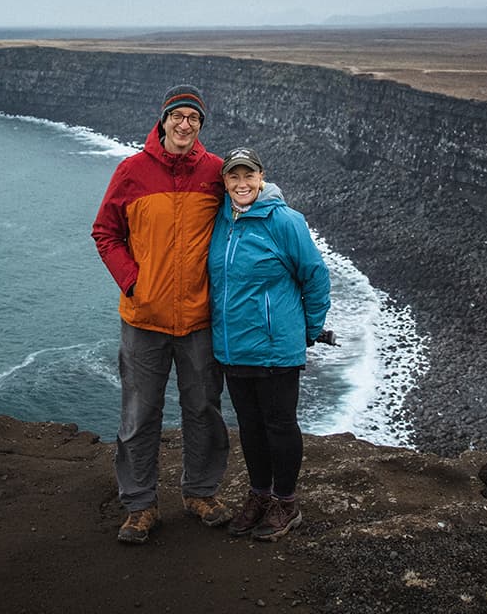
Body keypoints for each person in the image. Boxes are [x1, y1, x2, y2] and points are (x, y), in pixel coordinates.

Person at [92, 84, 233, 545]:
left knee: (204, 409)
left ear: (200, 125)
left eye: (194, 118)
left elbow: (247, 216)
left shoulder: (216, 173)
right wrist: (134, 282)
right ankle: (139, 505)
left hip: (199, 320)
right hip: (143, 319)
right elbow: (105, 232)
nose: (185, 125)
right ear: (163, 120)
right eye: (178, 116)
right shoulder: (132, 171)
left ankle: (200, 493)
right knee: (139, 414)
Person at [207, 145, 331, 541]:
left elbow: (315, 276)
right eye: (233, 177)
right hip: (233, 347)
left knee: (279, 425)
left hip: (276, 348)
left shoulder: (284, 221)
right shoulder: (221, 221)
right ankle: (259, 495)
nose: (241, 183)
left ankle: (286, 502)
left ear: (262, 178)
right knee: (250, 426)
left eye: (248, 176)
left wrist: (308, 331)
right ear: (225, 182)